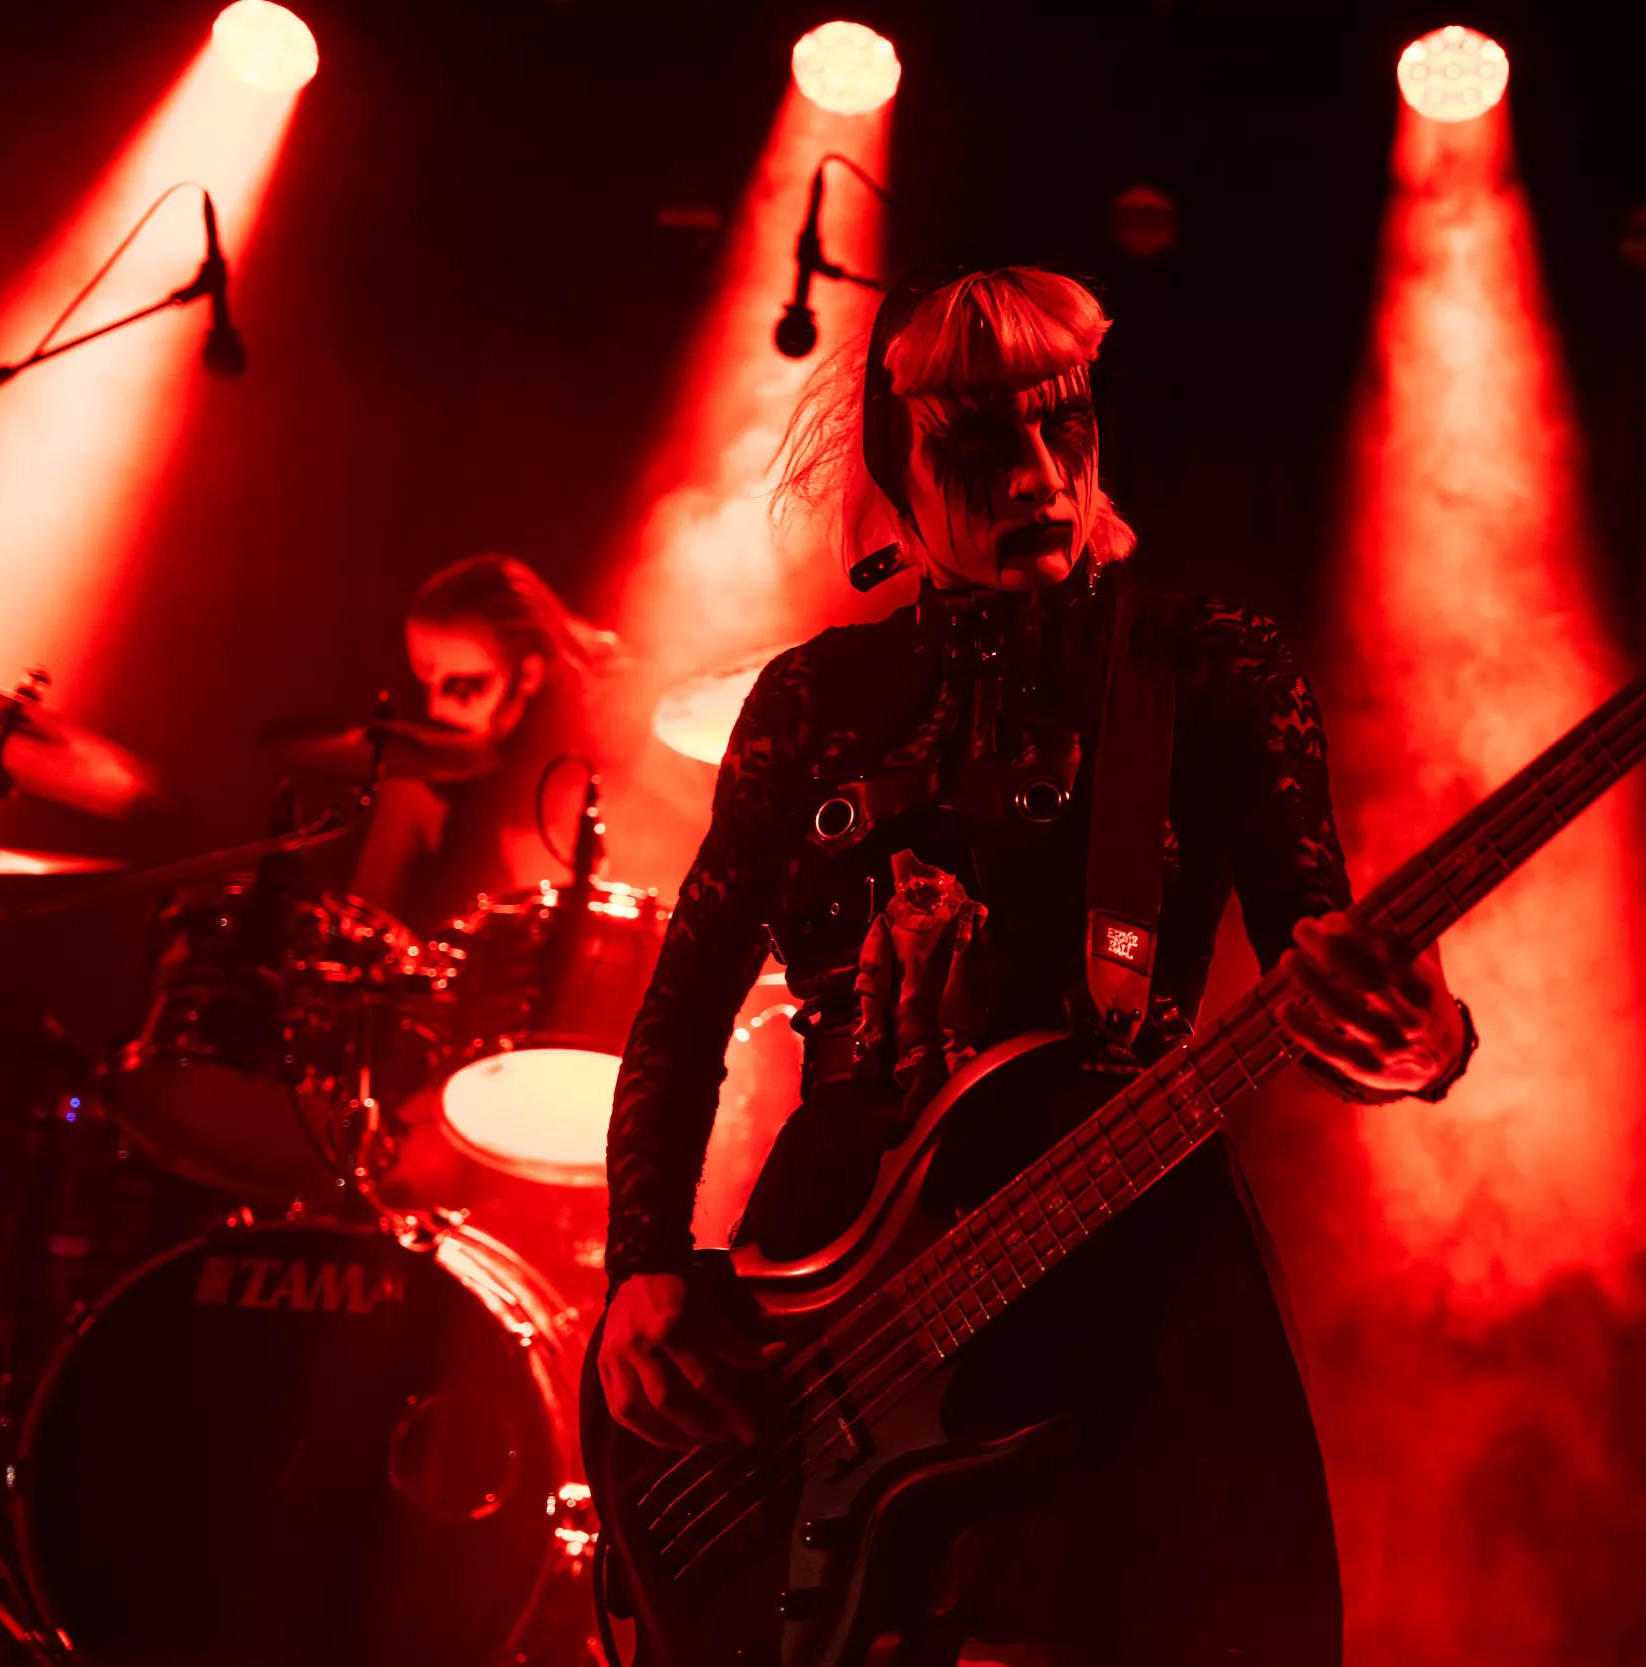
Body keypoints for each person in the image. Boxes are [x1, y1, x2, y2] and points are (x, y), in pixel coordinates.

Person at [588, 266, 1474, 1665]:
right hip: (838, 1265)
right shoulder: (811, 698)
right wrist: (641, 1266)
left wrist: (1416, 1040)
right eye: (977, 444)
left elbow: (1326, 969)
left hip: (1125, 1251)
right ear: (900, 468)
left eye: (1063, 426)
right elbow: (683, 1006)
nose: (1037, 476)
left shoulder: (1213, 666)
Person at [350, 553, 618, 934]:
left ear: (529, 675)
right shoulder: (420, 781)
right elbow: (365, 922)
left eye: (463, 686)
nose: (435, 708)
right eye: (425, 683)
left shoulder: (604, 759)